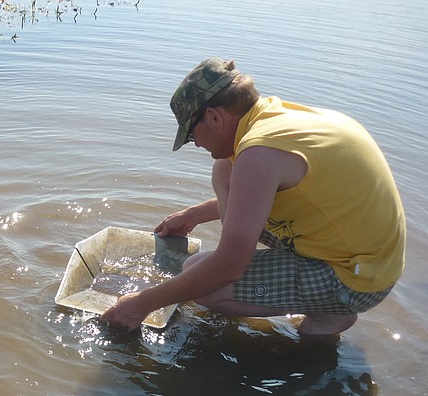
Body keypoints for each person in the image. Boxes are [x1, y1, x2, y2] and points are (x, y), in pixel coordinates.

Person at [103, 57, 406, 336]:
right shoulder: (272, 116)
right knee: (223, 166)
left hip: (357, 279)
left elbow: (229, 267)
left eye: (192, 135)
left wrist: (142, 303)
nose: (195, 144)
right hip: (356, 248)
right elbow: (261, 194)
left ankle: (329, 314)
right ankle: (313, 296)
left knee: (203, 282)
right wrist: (195, 215)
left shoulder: (260, 152)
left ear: (214, 117)